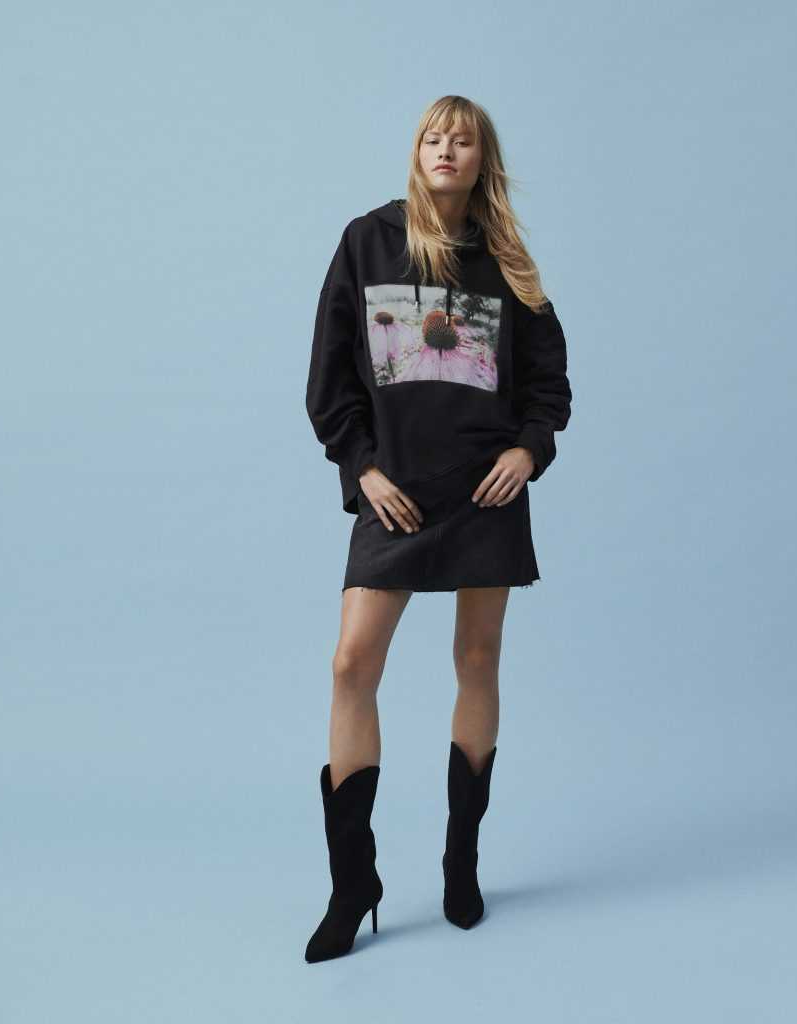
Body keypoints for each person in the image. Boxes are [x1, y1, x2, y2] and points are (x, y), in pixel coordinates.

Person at [303, 95, 572, 962]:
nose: (445, 149)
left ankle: (462, 860)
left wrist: (528, 451)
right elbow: (329, 378)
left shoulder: (506, 261)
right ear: (415, 151)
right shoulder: (368, 241)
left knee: (478, 660)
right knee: (351, 664)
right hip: (395, 492)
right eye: (432, 137)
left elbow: (549, 388)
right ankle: (354, 884)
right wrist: (362, 469)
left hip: (484, 493)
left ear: (482, 159)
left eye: (462, 140)